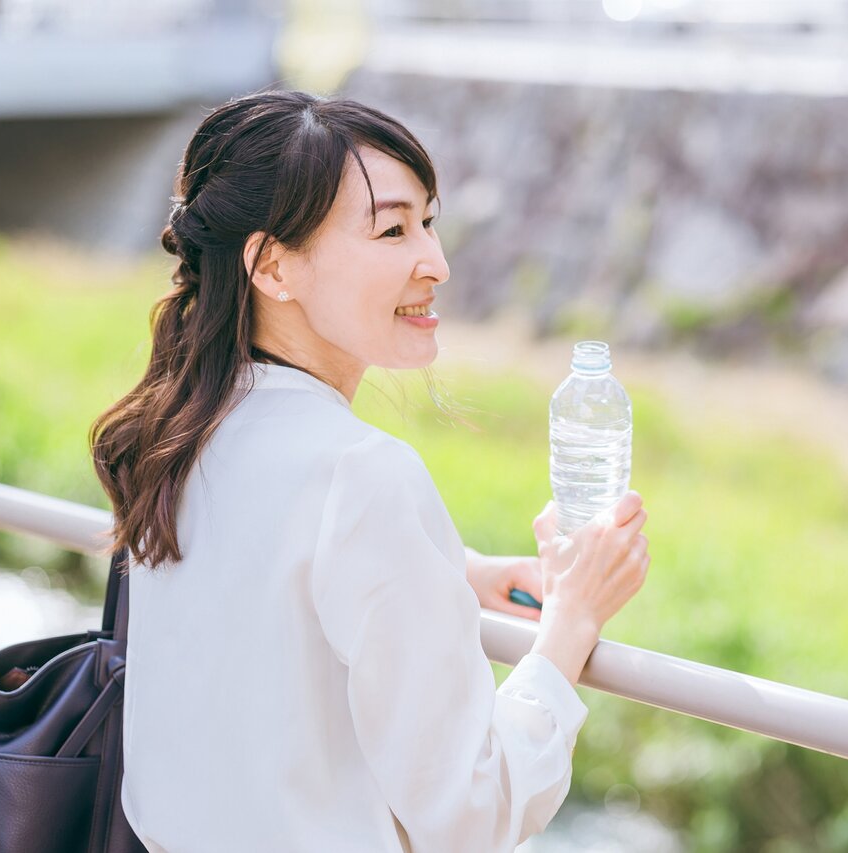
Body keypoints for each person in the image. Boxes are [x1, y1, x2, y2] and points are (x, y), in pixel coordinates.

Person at [88, 89, 651, 852]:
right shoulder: (361, 471)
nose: (437, 262)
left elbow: (272, 593)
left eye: (428, 221)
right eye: (392, 228)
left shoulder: (183, 431)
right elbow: (471, 811)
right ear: (273, 266)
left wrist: (451, 571)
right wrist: (571, 625)